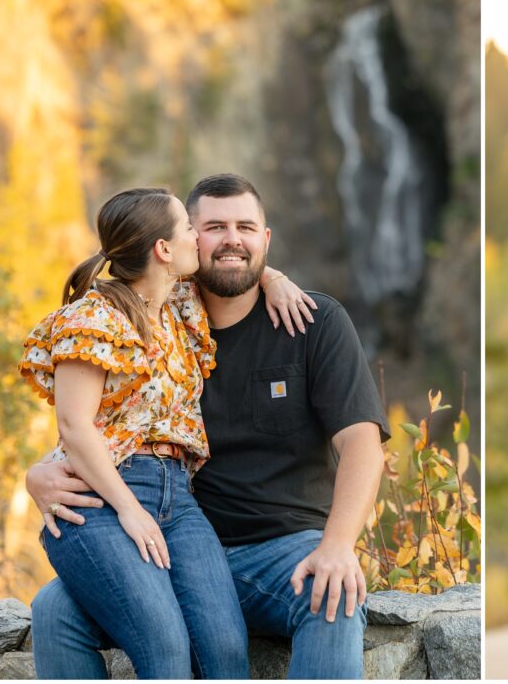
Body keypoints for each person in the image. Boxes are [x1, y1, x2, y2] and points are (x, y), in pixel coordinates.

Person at [26, 174, 389, 679]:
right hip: (166, 545)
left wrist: (337, 547)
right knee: (54, 609)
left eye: (246, 227)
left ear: (266, 240)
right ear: (183, 244)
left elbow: (364, 446)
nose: (231, 240)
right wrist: (40, 472)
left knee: (333, 596)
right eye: (214, 227)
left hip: (279, 550)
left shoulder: (313, 320)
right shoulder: (163, 314)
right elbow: (109, 420)